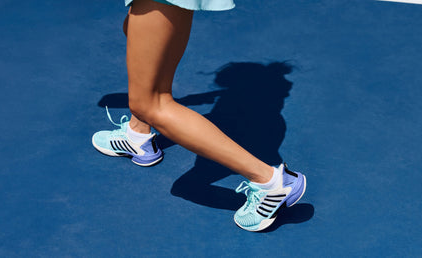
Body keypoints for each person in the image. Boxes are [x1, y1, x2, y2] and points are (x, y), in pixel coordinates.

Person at [91, 0, 307, 232]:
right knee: (152, 77)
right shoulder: (269, 108)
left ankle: (271, 182)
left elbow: (106, 100)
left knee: (149, 105)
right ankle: (137, 134)